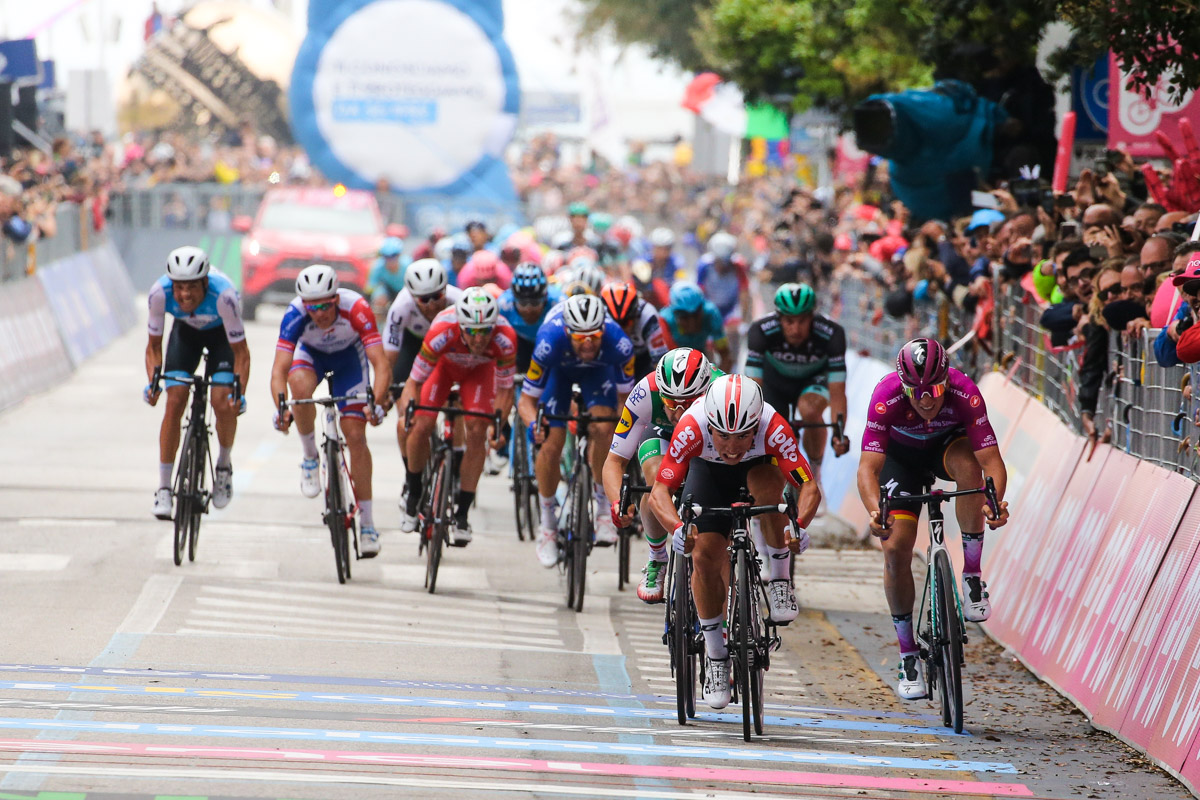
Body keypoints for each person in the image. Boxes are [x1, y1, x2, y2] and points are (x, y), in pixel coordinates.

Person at [648, 375, 821, 709]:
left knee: (772, 493)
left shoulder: (773, 425)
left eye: (743, 435)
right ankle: (716, 656)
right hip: (708, 474)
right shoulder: (692, 425)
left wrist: (798, 527)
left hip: (758, 470)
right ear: (709, 424)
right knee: (705, 555)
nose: (732, 445)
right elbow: (660, 492)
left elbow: (808, 487)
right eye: (723, 435)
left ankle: (781, 578)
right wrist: (677, 529)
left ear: (756, 425)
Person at [855, 338, 1010, 701]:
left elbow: (992, 462)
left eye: (936, 389)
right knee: (895, 549)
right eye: (917, 391)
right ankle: (908, 655)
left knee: (970, 472)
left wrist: (994, 502)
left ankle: (972, 575)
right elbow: (868, 468)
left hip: (946, 446)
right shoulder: (886, 396)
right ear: (902, 385)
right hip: (901, 459)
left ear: (947, 379)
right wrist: (874, 511)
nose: (927, 399)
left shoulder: (965, 393)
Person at [271, 265, 391, 556]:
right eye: (313, 307)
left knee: (355, 437)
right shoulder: (295, 314)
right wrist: (282, 407)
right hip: (311, 357)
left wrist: (376, 401)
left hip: (349, 360)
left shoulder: (357, 308)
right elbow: (279, 369)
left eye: (325, 306)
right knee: (298, 386)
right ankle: (311, 456)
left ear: (336, 299)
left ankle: (367, 523)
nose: (320, 313)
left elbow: (381, 363)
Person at [519, 294, 636, 566]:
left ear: (603, 330)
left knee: (605, 427)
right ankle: (547, 526)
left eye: (594, 336)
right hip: (559, 374)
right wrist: (535, 425)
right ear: (568, 331)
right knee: (551, 441)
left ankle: (604, 510)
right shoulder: (549, 340)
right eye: (580, 337)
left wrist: (622, 431)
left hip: (598, 374)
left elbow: (625, 401)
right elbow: (526, 401)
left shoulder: (619, 343)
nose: (588, 344)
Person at [397, 288, 516, 544]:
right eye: (472, 331)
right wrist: (410, 412)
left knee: (477, 430)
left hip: (479, 373)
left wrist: (499, 425)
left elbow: (506, 391)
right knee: (422, 424)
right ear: (461, 325)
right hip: (443, 369)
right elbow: (414, 382)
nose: (478, 339)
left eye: (485, 331)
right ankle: (414, 492)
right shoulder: (441, 330)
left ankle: (462, 514)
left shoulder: (505, 338)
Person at [603, 348, 720, 603]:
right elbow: (615, 460)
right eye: (670, 404)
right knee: (656, 480)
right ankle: (657, 557)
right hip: (662, 436)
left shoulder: (721, 390)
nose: (678, 414)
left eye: (688, 404)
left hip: (705, 441)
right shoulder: (645, 391)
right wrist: (616, 503)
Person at [144, 246, 249, 519]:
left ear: (205, 282)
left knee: (221, 401)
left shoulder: (224, 296)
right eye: (179, 288)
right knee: (175, 399)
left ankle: (223, 467)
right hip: (185, 335)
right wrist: (153, 382)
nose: (185, 295)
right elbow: (154, 347)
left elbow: (241, 353)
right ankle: (165, 488)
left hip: (221, 338)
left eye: (191, 287)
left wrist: (239, 393)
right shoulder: (159, 294)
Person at [744, 283, 850, 480]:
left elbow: (837, 393)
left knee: (809, 410)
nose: (796, 328)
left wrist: (839, 433)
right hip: (775, 382)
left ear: (812, 317)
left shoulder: (832, 334)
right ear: (779, 318)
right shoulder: (760, 330)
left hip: (813, 380)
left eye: (802, 321)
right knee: (772, 425)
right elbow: (752, 388)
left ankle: (815, 471)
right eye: (789, 321)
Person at [382, 258, 464, 468]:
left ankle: (456, 454)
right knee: (406, 416)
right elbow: (389, 357)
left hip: (448, 347)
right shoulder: (401, 307)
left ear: (445, 289)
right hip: (413, 346)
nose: (432, 304)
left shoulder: (459, 301)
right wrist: (386, 391)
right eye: (423, 299)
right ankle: (412, 473)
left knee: (455, 403)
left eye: (437, 296)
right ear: (412, 296)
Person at [499, 262, 562, 374]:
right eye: (522, 303)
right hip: (520, 343)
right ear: (514, 299)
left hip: (552, 343)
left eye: (535, 303)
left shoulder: (559, 305)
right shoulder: (503, 306)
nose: (528, 309)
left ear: (545, 298)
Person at [696, 231, 753, 350]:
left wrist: (743, 321)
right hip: (710, 307)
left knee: (732, 337)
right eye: (718, 261)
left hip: (730, 309)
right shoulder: (704, 264)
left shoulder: (739, 265)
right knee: (708, 344)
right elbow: (699, 293)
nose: (721, 266)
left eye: (725, 262)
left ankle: (734, 364)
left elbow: (744, 294)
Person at [600, 282, 668, 380]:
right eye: (615, 324)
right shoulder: (600, 317)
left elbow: (660, 364)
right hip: (612, 360)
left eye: (626, 322)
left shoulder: (648, 317)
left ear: (636, 315)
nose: (621, 329)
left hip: (642, 360)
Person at [660, 282, 732, 369]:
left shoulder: (711, 314)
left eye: (696, 314)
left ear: (702, 308)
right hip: (676, 357)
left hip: (702, 352)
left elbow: (725, 356)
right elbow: (665, 362)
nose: (692, 323)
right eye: (684, 316)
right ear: (674, 313)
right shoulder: (664, 320)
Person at [366, 237, 407, 315]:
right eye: (386, 257)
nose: (390, 261)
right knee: (379, 298)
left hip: (404, 291)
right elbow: (370, 287)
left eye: (393, 256)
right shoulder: (377, 267)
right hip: (387, 291)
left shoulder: (407, 266)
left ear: (399, 255)